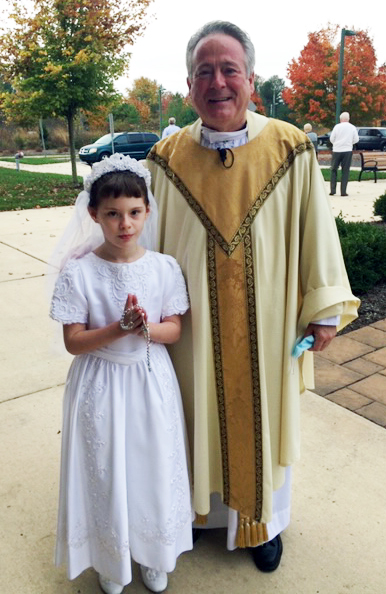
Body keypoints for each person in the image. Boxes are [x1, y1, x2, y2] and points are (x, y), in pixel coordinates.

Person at [146, 21, 359, 574]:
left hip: (268, 331)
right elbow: (143, 246)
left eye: (229, 70)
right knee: (195, 418)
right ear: (189, 86)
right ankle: (199, 518)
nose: (217, 82)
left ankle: (262, 524)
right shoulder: (166, 159)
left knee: (263, 422)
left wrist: (325, 309)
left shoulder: (288, 147)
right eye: (204, 72)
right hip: (188, 332)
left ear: (251, 80)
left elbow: (317, 232)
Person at [50, 154, 193, 594]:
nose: (124, 223)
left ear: (147, 211)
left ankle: (154, 550)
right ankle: (110, 558)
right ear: (94, 214)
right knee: (105, 468)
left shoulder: (164, 267)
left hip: (150, 381)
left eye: (133, 212)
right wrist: (117, 328)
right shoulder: (79, 271)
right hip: (100, 383)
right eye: (112, 214)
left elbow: (174, 329)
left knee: (150, 465)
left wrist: (147, 327)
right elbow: (74, 341)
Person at [329, 112, 359, 196]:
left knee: (334, 169)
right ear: (348, 119)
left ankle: (332, 190)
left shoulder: (336, 127)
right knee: (345, 171)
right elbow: (356, 139)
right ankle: (343, 191)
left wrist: (336, 144)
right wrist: (349, 143)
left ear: (340, 119)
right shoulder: (352, 127)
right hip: (347, 150)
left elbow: (331, 139)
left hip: (336, 150)